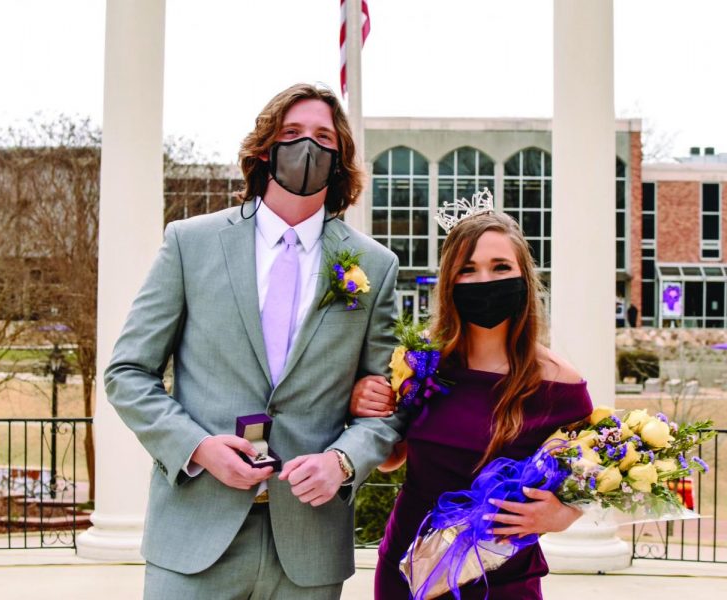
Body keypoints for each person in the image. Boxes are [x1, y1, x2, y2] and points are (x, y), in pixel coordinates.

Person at [105, 83, 406, 600]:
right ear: (266, 149)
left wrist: (342, 461)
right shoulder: (189, 243)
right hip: (194, 538)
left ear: (339, 159)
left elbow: (389, 402)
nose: (307, 146)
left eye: (322, 137)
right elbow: (127, 373)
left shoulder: (373, 266)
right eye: (292, 133)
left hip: (308, 546)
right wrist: (197, 447)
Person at [352, 208, 593, 599]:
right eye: (468, 269)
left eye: (500, 267)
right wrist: (368, 403)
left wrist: (562, 516)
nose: (485, 280)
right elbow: (391, 458)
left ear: (524, 279)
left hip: (502, 576)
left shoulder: (560, 385)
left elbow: (591, 480)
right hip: (411, 567)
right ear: (450, 281)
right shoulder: (421, 364)